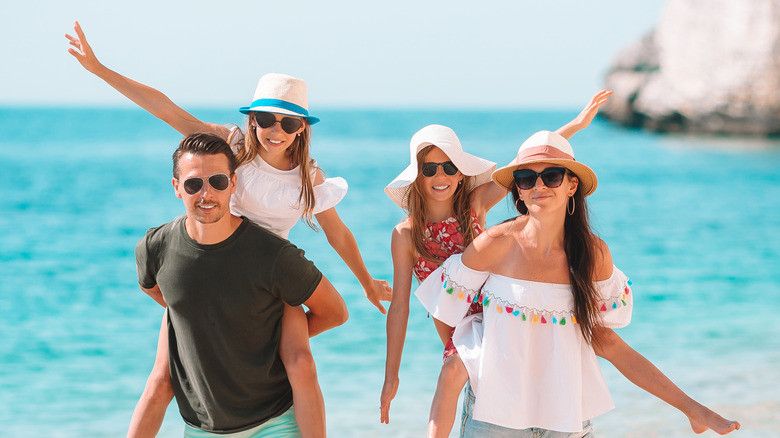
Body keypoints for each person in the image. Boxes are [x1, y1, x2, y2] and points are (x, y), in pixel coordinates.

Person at [65, 21, 390, 438]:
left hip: (272, 278)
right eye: (266, 118)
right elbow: (166, 109)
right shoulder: (232, 147)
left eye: (288, 124)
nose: (276, 131)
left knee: (301, 365)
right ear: (252, 119)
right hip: (215, 259)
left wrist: (365, 282)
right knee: (160, 381)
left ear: (302, 129)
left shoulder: (308, 176)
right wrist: (100, 70)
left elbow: (338, 234)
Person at [415, 131, 741, 436]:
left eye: (551, 176)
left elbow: (609, 343)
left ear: (572, 185)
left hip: (565, 419)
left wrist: (692, 409)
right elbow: (447, 308)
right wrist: (469, 363)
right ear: (518, 190)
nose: (538, 185)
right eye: (527, 178)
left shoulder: (593, 255)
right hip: (494, 418)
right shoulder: (495, 243)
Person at [379, 91, 610, 436]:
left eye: (449, 167)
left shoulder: (474, 205)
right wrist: (391, 375)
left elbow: (530, 165)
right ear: (418, 176)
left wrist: (572, 128)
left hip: (501, 310)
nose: (440, 176)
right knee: (454, 369)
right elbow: (399, 307)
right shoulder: (406, 234)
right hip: (457, 319)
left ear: (461, 175)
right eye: (430, 169)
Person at [136, 132, 347, 437]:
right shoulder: (154, 248)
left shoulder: (274, 256)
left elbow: (335, 312)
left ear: (233, 184)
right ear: (177, 188)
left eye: (218, 182)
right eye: (194, 184)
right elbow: (157, 291)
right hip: (202, 429)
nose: (206, 194)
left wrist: (260, 339)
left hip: (275, 423)